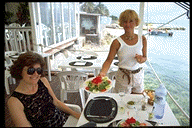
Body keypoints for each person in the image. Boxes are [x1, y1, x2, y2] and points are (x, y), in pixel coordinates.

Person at [7, 51, 81, 127]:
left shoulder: (42, 80)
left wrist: (76, 114)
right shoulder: (14, 101)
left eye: (38, 70)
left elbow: (56, 102)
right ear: (20, 71)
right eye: (31, 70)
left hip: (64, 119)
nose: (36, 74)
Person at [99, 9, 147, 94]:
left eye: (131, 21)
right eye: (125, 21)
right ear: (121, 23)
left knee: (138, 100)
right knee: (121, 102)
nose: (128, 24)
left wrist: (141, 59)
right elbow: (108, 60)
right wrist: (102, 73)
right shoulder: (116, 42)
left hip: (138, 76)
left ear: (136, 22)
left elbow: (145, 58)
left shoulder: (142, 39)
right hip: (123, 77)